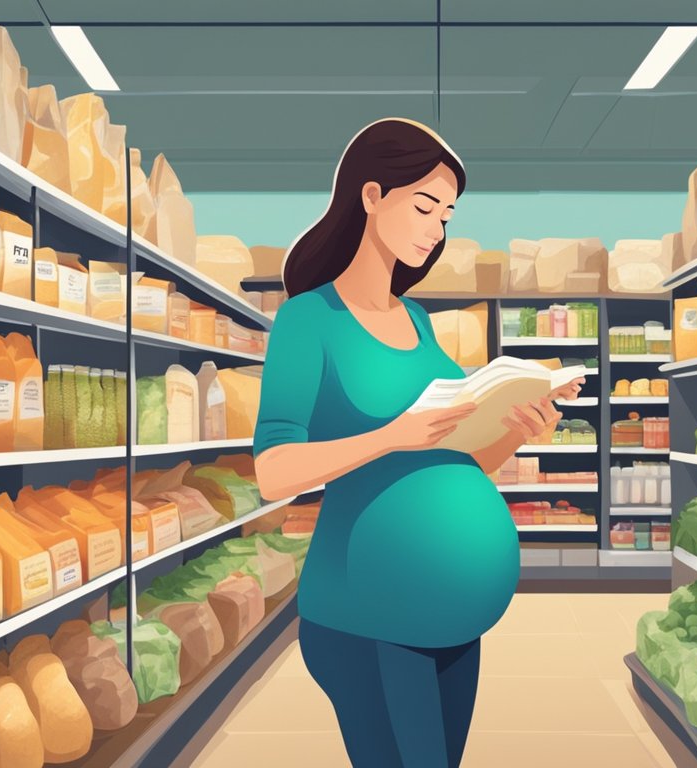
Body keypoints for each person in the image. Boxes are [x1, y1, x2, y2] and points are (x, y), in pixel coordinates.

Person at [253, 118, 584, 768]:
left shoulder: (418, 323)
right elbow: (273, 470)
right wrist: (389, 435)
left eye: (448, 215)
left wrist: (511, 433)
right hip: (369, 613)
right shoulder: (309, 320)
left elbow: (450, 464)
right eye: (425, 206)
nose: (436, 229)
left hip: (455, 617)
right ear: (372, 195)